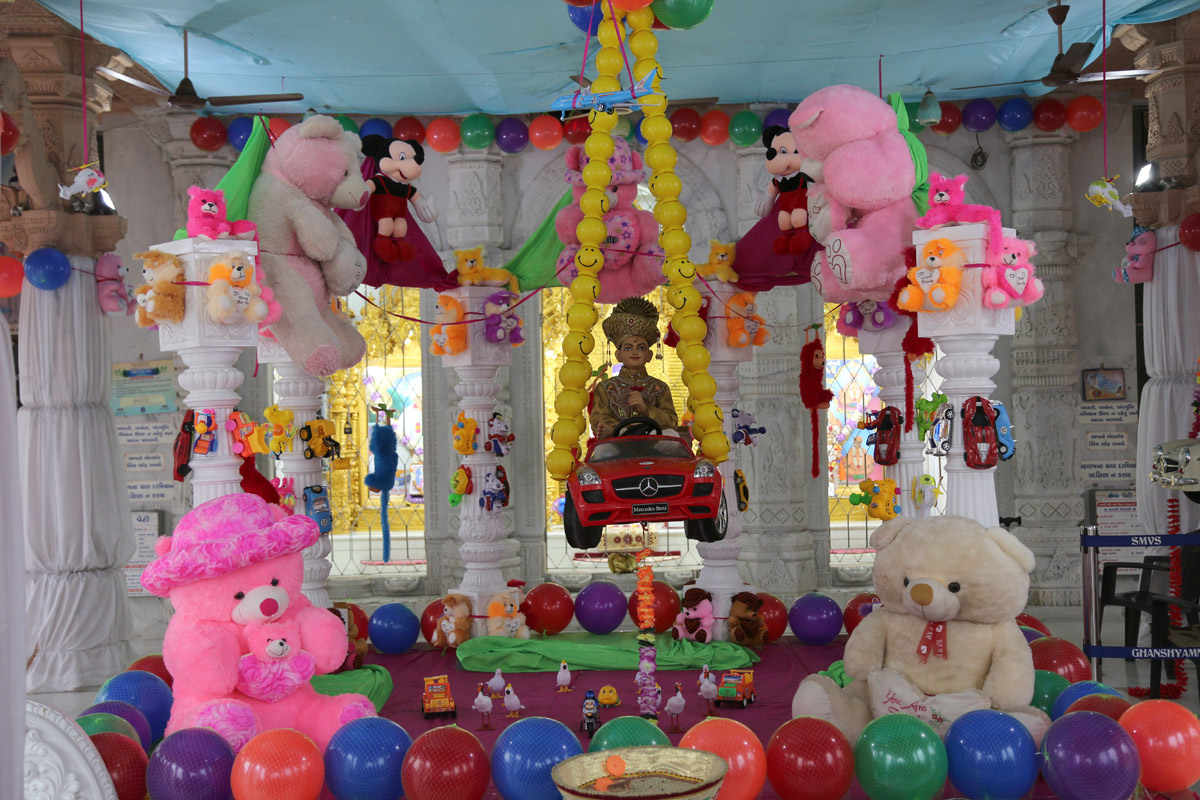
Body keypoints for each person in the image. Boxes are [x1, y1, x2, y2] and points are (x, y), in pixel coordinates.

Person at [590, 297, 679, 440]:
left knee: (672, 435)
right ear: (618, 355)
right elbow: (598, 420)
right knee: (602, 450)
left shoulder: (660, 388)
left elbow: (672, 421)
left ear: (649, 355)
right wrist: (623, 430)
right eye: (628, 348)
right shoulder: (605, 388)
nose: (635, 352)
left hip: (652, 444)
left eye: (641, 348)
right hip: (617, 445)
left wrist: (646, 409)